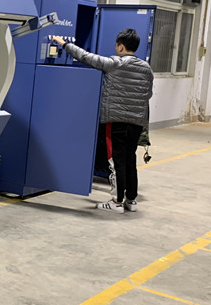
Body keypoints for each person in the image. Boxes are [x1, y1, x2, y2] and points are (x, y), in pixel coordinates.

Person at [51, 29, 154, 213]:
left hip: (115, 121)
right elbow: (148, 94)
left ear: (120, 46)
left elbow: (86, 57)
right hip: (137, 123)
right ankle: (131, 200)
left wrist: (64, 44)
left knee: (116, 161)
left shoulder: (115, 64)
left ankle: (116, 202)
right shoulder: (147, 69)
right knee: (130, 159)